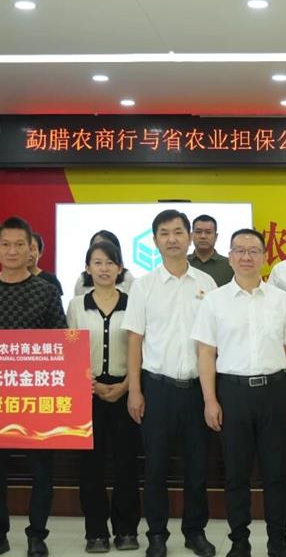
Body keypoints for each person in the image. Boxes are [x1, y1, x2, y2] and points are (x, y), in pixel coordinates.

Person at [193, 228, 286, 557]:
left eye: (253, 251)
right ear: (230, 257)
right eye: (239, 251)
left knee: (276, 474)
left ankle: (278, 541)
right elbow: (205, 354)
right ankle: (239, 541)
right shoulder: (214, 302)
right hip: (232, 393)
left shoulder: (282, 301)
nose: (246, 257)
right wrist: (210, 400)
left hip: (275, 392)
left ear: (264, 257)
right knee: (236, 475)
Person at [122, 210, 217, 557]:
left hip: (197, 390)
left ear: (189, 237)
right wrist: (135, 391)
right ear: (155, 241)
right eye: (165, 233)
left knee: (198, 467)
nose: (172, 239)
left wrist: (211, 396)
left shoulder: (207, 283)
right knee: (156, 467)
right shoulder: (143, 286)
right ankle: (157, 535)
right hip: (157, 389)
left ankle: (195, 532)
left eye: (178, 231)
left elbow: (212, 343)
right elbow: (134, 341)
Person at [66, 241, 140, 553]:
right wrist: (92, 385)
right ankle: (95, 532)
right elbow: (70, 349)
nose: (104, 268)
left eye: (110, 263)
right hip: (88, 392)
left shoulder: (133, 302)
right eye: (97, 262)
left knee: (126, 464)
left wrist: (126, 385)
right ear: (88, 268)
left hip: (126, 390)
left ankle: (126, 530)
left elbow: (141, 348)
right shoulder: (76, 306)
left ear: (120, 268)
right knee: (91, 467)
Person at [0, 216, 67, 557]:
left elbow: (63, 343)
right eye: (5, 244)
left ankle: (37, 535)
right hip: (0, 397)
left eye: (19, 245)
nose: (12, 251)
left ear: (31, 249)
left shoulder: (46, 291)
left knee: (42, 472)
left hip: (37, 397)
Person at [74, 230, 134, 296]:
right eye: (97, 245)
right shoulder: (82, 280)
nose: (104, 269)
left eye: (110, 263)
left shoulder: (127, 277)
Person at [188, 215, 234, 287]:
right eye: (198, 232)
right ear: (191, 235)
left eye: (208, 232)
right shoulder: (183, 263)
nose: (203, 236)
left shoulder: (230, 265)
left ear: (216, 236)